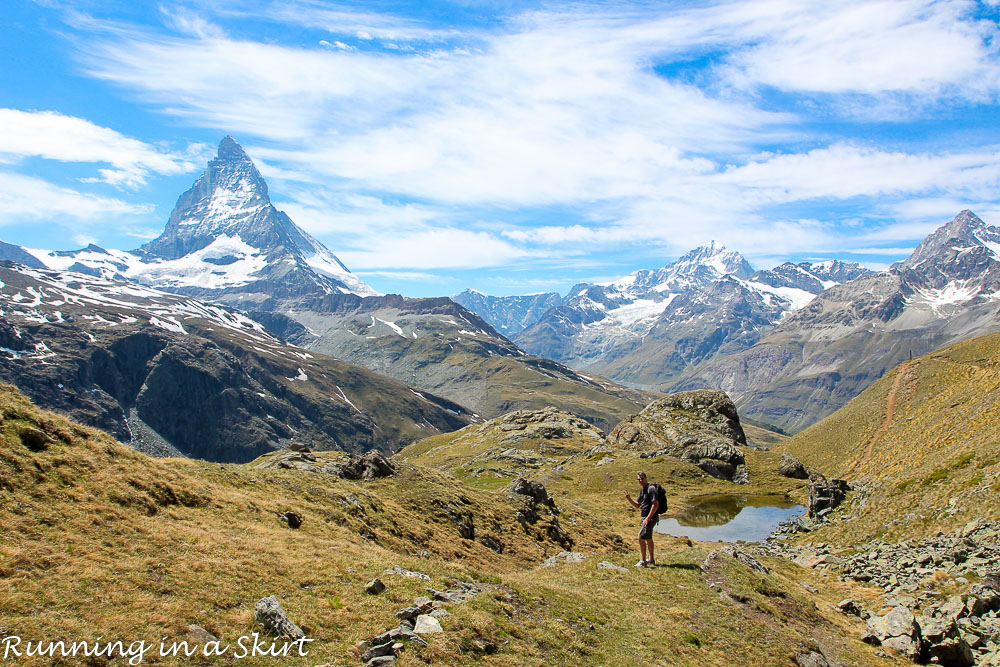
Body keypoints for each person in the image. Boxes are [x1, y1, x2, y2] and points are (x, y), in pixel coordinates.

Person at [624, 471, 658, 567]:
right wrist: (629, 499)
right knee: (648, 538)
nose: (640, 480)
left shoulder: (651, 489)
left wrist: (648, 518)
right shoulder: (643, 490)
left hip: (650, 518)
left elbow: (655, 504)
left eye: (642, 478)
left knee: (640, 537)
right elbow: (638, 505)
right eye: (639, 479)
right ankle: (651, 559)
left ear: (646, 478)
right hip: (645, 517)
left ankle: (643, 561)